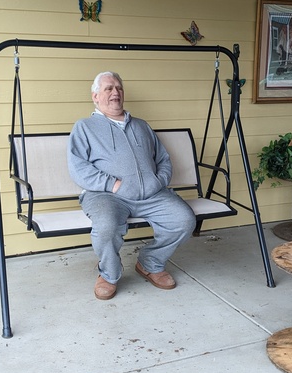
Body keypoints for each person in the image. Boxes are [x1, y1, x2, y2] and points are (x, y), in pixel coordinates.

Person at [67, 71, 196, 300]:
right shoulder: (84, 127)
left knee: (184, 220)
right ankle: (109, 274)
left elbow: (163, 159)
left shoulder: (141, 125)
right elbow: (78, 168)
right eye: (108, 88)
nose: (115, 92)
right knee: (106, 227)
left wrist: (159, 181)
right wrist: (113, 184)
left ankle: (150, 263)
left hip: (151, 194)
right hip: (106, 196)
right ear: (95, 96)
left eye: (119, 88)